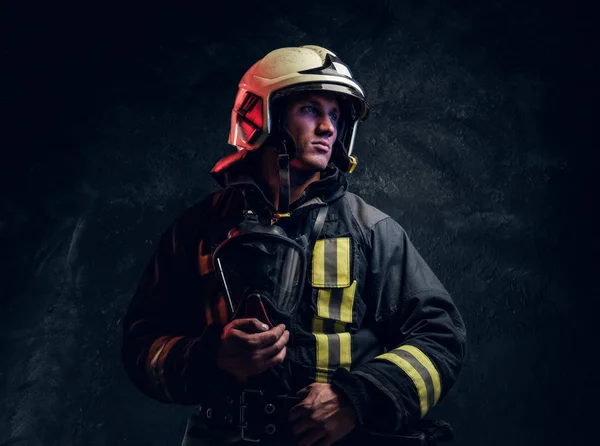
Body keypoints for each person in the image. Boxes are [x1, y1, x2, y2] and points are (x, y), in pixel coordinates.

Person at [121, 45, 467, 446]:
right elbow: (142, 344)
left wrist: (355, 400)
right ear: (262, 115)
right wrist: (208, 358)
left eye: (335, 115)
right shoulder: (198, 230)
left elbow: (441, 337)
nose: (328, 128)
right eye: (310, 110)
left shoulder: (371, 231)